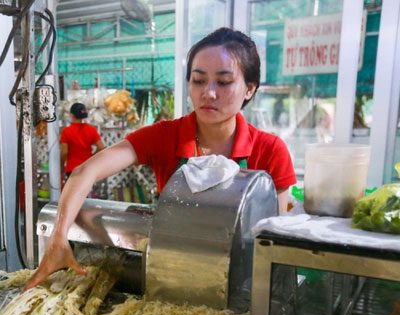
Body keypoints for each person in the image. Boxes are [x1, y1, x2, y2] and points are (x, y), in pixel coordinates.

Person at [24, 27, 296, 291]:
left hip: (241, 288)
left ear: (249, 88)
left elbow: (276, 242)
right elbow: (86, 172)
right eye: (198, 80)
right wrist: (58, 237)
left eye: (224, 82)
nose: (208, 93)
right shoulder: (165, 136)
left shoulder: (270, 150)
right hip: (171, 277)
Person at [60, 103, 105, 181]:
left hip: (72, 169)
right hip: (87, 168)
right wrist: (92, 157)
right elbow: (101, 147)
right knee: (86, 192)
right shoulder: (91, 129)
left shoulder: (66, 131)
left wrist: (61, 166)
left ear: (71, 115)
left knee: (74, 192)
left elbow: (64, 152)